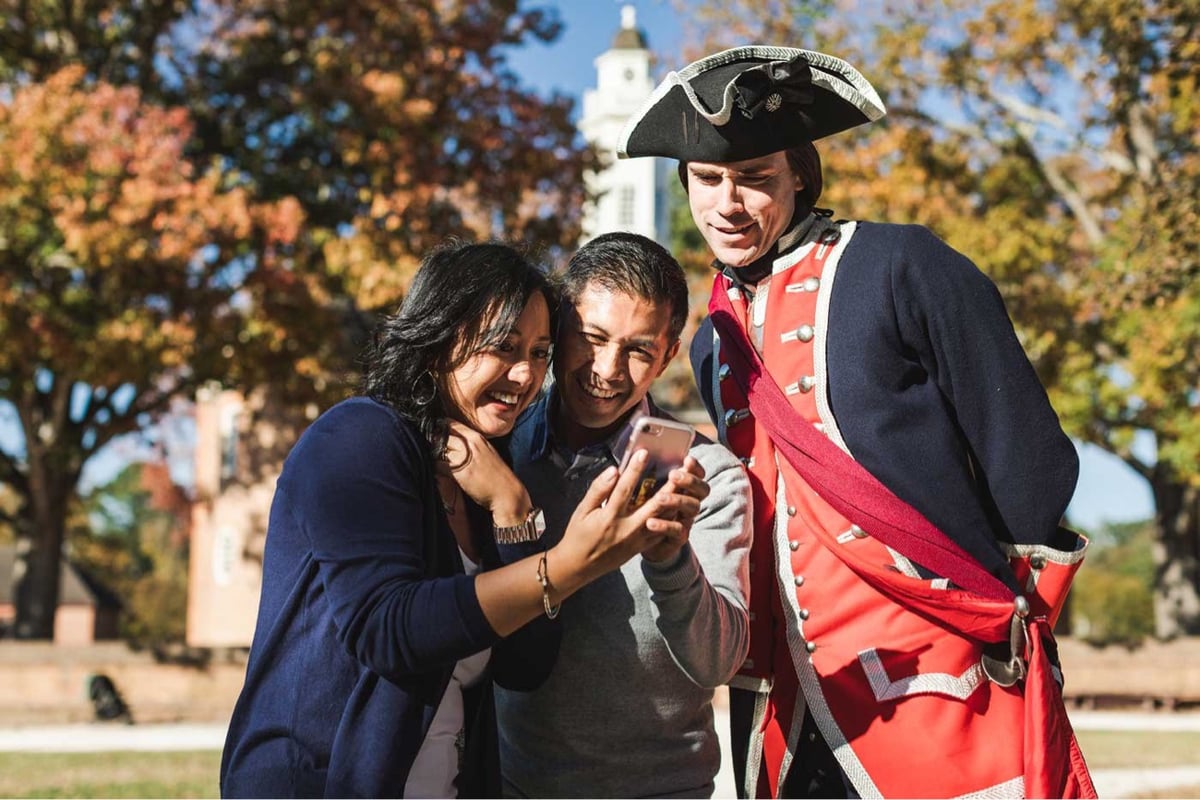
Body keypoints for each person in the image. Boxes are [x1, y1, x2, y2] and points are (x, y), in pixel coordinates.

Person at [618, 47, 1090, 798]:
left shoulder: (901, 263)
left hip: (934, 668)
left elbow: (1024, 454)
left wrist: (1003, 616)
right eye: (706, 181)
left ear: (800, 175)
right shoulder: (713, 337)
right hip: (787, 690)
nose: (726, 205)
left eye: (754, 179)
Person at [219, 241, 705, 799]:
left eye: (542, 351)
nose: (525, 374)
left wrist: (515, 511)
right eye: (504, 346)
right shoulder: (359, 437)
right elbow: (386, 629)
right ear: (437, 338)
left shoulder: (487, 475)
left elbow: (524, 666)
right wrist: (564, 566)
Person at [493, 231, 754, 798]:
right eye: (591, 338)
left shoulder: (705, 476)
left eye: (638, 350)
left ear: (668, 354)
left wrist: (670, 559)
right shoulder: (499, 448)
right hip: (511, 784)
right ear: (559, 326)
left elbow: (718, 663)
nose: (607, 370)